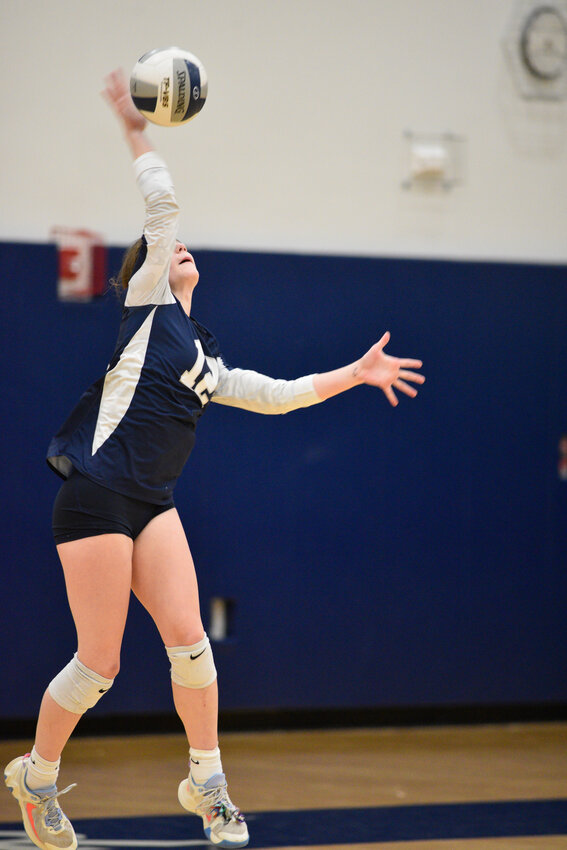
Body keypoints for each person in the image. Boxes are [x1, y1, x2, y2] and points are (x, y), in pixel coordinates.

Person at [4, 69, 425, 850]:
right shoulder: (147, 311)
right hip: (94, 497)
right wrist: (133, 128)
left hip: (152, 505)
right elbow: (162, 206)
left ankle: (207, 786)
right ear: (146, 276)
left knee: (191, 648)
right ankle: (33, 775)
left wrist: (356, 374)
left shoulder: (205, 360)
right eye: (165, 254)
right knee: (98, 666)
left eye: (182, 250)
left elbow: (281, 394)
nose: (180, 249)